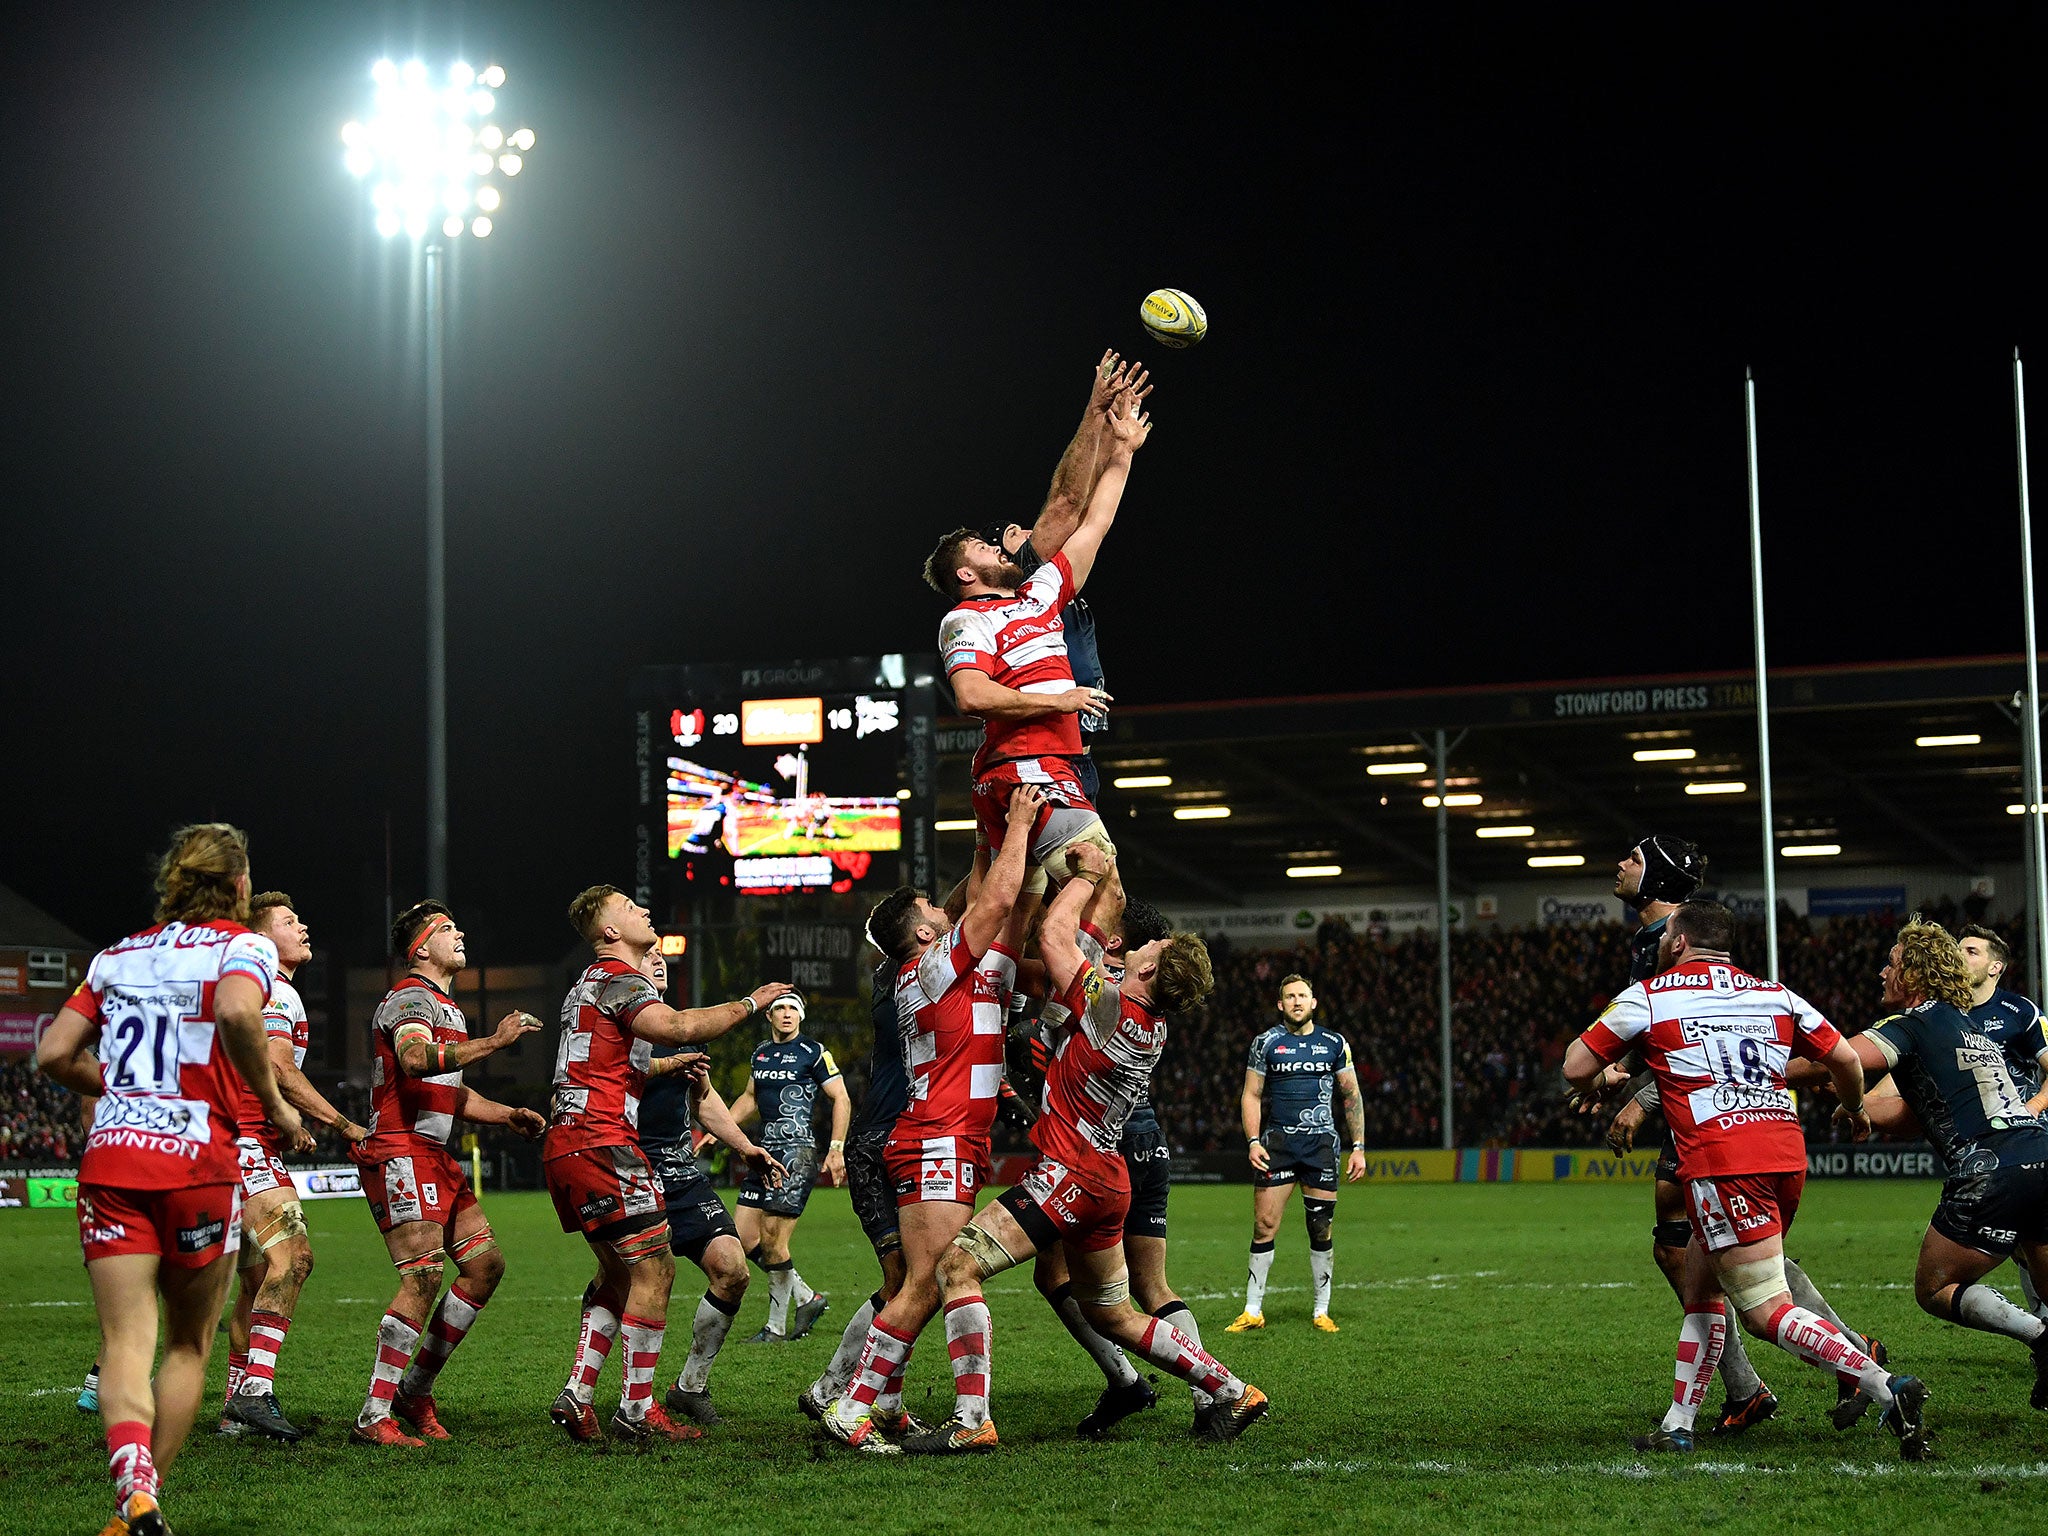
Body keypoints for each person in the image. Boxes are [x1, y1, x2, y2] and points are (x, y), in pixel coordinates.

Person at [914, 843, 1268, 1451]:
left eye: (1151, 948)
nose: (1141, 943)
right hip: (1107, 1180)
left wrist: (1086, 877)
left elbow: (1055, 934)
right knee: (1115, 1313)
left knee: (957, 1265)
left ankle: (971, 1422)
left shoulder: (1110, 1003)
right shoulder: (1144, 1021)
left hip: (1072, 1173)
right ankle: (1233, 1391)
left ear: (1151, 971)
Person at [1564, 899, 1929, 1459]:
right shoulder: (1775, 994)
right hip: (1785, 1155)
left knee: (1763, 1312)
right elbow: (1847, 1063)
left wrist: (1597, 1082)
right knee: (1702, 1287)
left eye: (1667, 938)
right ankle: (1677, 1424)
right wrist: (1855, 1110)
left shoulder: (1651, 995)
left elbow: (1575, 1066)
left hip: (1723, 1161)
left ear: (1678, 943)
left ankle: (1884, 1385)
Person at [36, 823, 314, 1536]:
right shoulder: (243, 946)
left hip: (114, 1162)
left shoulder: (115, 957)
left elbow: (54, 1053)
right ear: (239, 885)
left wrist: (130, 1086)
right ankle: (142, 1501)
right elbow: (232, 1010)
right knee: (188, 1345)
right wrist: (276, 1103)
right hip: (196, 1166)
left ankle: (133, 1485)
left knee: (126, 1339)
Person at [819, 788, 1040, 1453]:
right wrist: (1022, 820)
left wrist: (1015, 847)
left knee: (937, 1278)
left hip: (956, 1138)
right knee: (932, 1279)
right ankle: (858, 1405)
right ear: (920, 931)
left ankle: (932, 1413)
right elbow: (994, 902)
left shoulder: (962, 968)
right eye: (932, 912)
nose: (946, 914)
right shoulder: (927, 968)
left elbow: (1014, 910)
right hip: (934, 1138)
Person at [544, 885, 792, 1445]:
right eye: (630, 909)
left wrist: (736, 1138)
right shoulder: (618, 978)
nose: (644, 912)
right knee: (655, 1270)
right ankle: (637, 1411)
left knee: (618, 1273)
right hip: (605, 1141)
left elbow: (640, 1060)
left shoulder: (588, 988)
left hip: (572, 1142)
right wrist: (752, 1003)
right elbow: (678, 1027)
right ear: (609, 933)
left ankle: (580, 1394)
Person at [923, 376, 1152, 900]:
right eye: (987, 545)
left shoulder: (1038, 593)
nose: (1003, 547)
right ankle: (1092, 980)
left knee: (1008, 907)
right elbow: (971, 695)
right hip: (1031, 765)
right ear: (965, 574)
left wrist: (1124, 455)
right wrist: (1060, 699)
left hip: (1056, 759)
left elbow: (1094, 525)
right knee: (1102, 893)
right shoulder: (967, 619)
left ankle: (934, 965)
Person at [349, 901, 548, 1447]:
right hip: (400, 1149)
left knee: (485, 1267)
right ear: (421, 949)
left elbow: (448, 1091)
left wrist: (505, 1114)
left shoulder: (445, 1005)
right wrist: (495, 1042)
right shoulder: (411, 997)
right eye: (447, 930)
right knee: (423, 1277)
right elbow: (415, 1060)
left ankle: (414, 1389)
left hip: (433, 1154)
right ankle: (373, 1413)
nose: (460, 935)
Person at [1829, 918, 2048, 1413]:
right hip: (2039, 1153)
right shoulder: (1968, 1023)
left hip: (1993, 1165)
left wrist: (1771, 1063)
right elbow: (1914, 1112)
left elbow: (1843, 1057)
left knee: (1934, 1287)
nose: (1881, 972)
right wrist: (1861, 1108)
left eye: (1890, 963)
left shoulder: (1989, 1014)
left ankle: (2040, 1338)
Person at [1028, 891, 1211, 1437]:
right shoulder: (1151, 1004)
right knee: (1152, 1287)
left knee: (1060, 1276)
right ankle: (1206, 1398)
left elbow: (1046, 951)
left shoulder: (1109, 985)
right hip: (1147, 1138)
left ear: (1122, 942)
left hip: (1095, 1152)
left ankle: (1126, 1379)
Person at [218, 892, 369, 1442]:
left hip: (232, 1143)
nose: (303, 927)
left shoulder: (255, 991)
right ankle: (255, 1395)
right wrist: (345, 1125)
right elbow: (280, 1067)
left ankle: (235, 1410)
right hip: (246, 1145)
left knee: (254, 1279)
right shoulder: (277, 991)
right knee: (295, 1258)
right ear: (261, 940)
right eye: (289, 921)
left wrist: (289, 1123)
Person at [982, 351, 1150, 803]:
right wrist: (1096, 415)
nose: (1030, 531)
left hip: (1078, 757)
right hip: (1041, 762)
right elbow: (1069, 501)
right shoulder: (1024, 582)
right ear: (1000, 556)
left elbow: (1092, 514)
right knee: (1092, 870)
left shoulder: (1051, 584)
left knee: (1032, 873)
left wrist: (1121, 448)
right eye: (1015, 533)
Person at [1227, 975, 1366, 1333]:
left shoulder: (1334, 1044)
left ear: (1313, 1002)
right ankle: (1252, 1310)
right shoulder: (1266, 1043)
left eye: (1303, 995)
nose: (1297, 1001)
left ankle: (1321, 1311)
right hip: (1278, 1147)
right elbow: (1251, 1095)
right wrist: (1254, 1140)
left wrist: (1358, 1147)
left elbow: (1351, 1096)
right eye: (1290, 996)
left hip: (1321, 1147)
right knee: (1264, 1225)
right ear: (1280, 1005)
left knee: (1320, 1228)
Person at [728, 992, 850, 1342]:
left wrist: (836, 1147)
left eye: (793, 1009)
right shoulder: (760, 1053)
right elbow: (750, 1098)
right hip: (763, 1155)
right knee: (744, 1237)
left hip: (796, 1153)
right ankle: (806, 1297)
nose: (786, 1014)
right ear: (769, 1016)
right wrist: (719, 1130)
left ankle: (775, 1328)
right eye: (780, 1008)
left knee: (773, 1241)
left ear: (801, 1016)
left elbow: (840, 1097)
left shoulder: (813, 1052)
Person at [1955, 924, 2048, 1320]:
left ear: (1996, 967)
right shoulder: (1947, 1015)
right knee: (2019, 1245)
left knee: (2030, 1238)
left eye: (1971, 951)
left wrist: (2037, 1104)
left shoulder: (2019, 1011)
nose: (1961, 956)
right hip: (1982, 1146)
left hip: (2031, 1141)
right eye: (1958, 949)